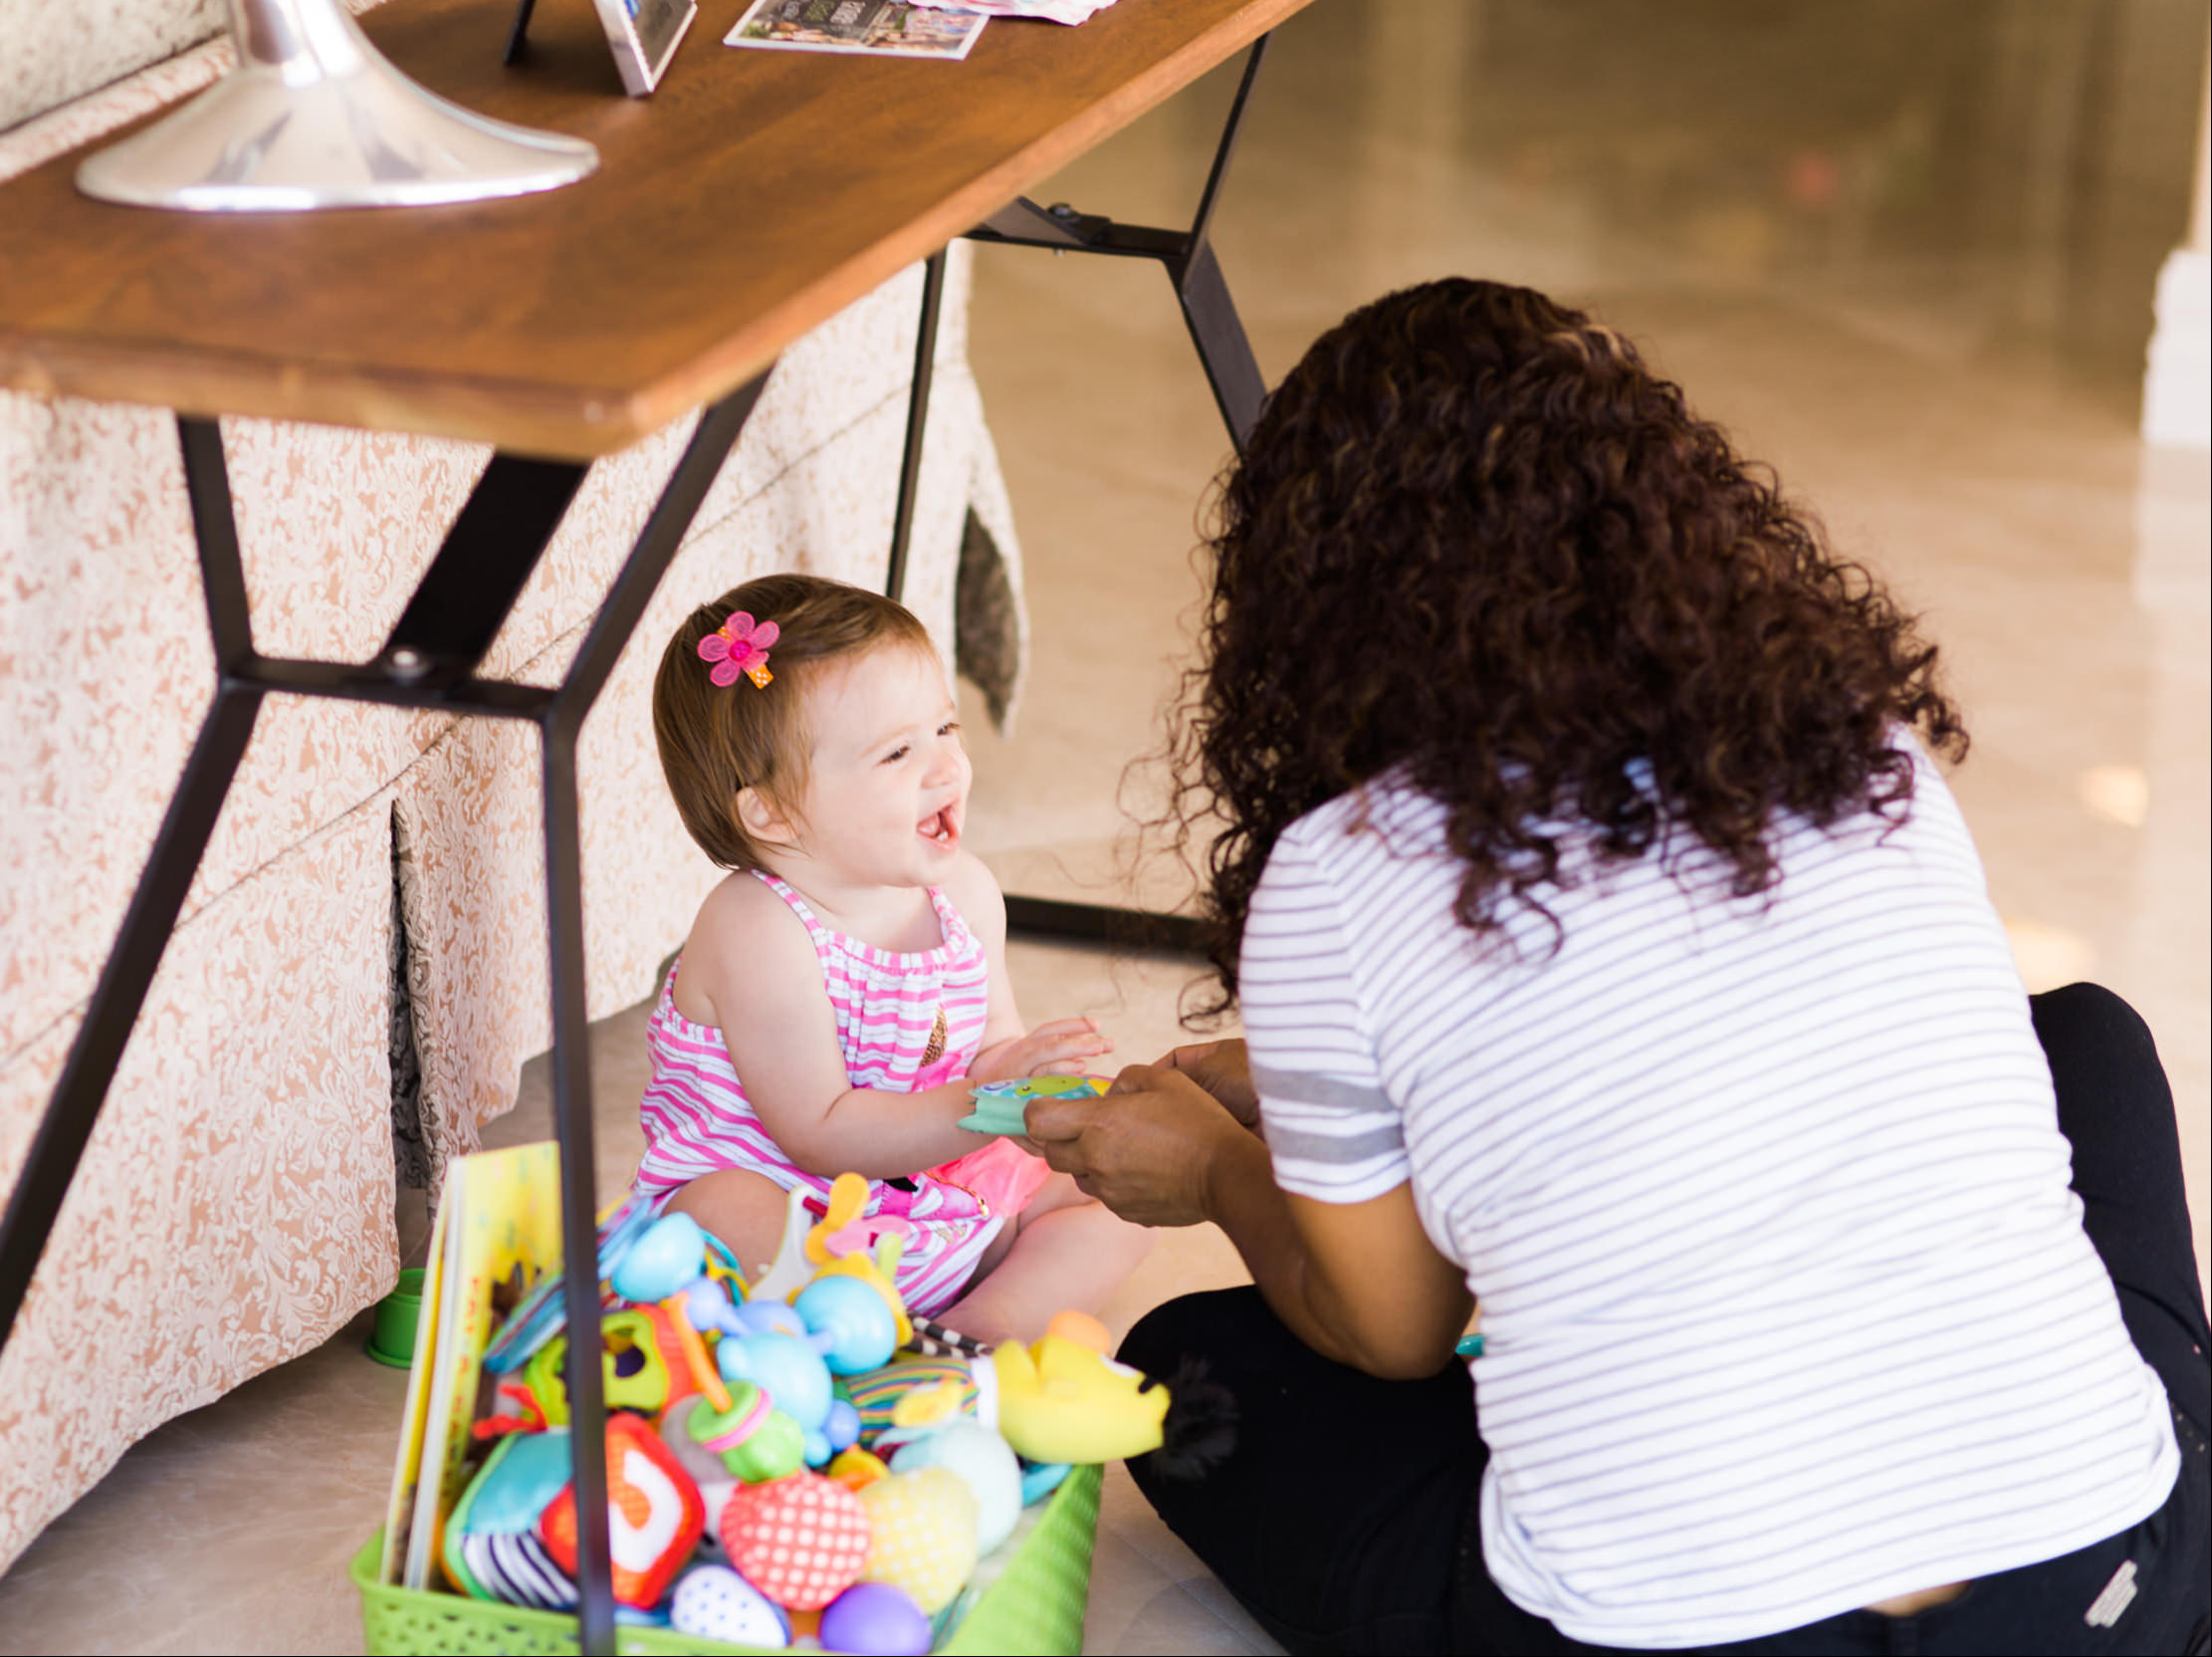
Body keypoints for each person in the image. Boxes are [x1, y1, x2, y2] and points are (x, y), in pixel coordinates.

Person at [1021, 279, 2209, 1655]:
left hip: (1676, 1637)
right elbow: (1735, 1070)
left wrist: (1221, 1171)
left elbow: (1400, 1327)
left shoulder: (1342, 870)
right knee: (2083, 1035)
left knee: (1189, 1367)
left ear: (1311, 604)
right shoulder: (1857, 744)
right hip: (2104, 1591)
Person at [640, 572, 1150, 1343]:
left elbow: (989, 1047)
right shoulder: (756, 928)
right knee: (717, 1214)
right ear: (770, 811)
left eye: (946, 729)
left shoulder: (966, 895)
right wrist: (985, 1101)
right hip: (799, 1203)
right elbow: (821, 1129)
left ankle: (970, 1332)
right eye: (897, 754)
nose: (945, 767)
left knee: (1127, 1188)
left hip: (933, 1193)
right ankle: (847, 1328)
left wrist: (1038, 1086)